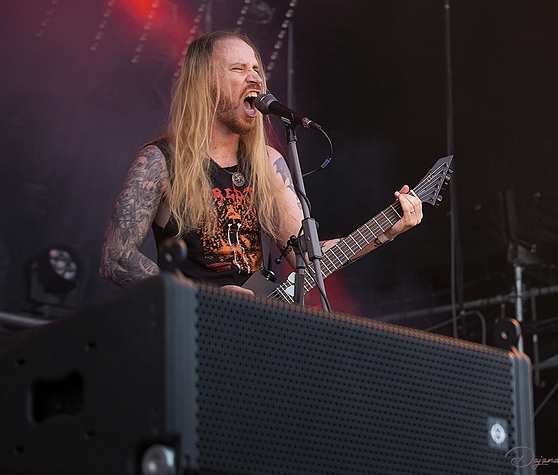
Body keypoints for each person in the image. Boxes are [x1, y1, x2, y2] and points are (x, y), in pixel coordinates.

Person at [99, 29, 422, 293]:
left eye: (256, 69)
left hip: (256, 327)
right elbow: (116, 258)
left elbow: (306, 258)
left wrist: (386, 231)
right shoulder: (160, 161)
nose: (254, 78)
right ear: (204, 82)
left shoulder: (268, 162)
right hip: (190, 329)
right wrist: (199, 298)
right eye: (238, 69)